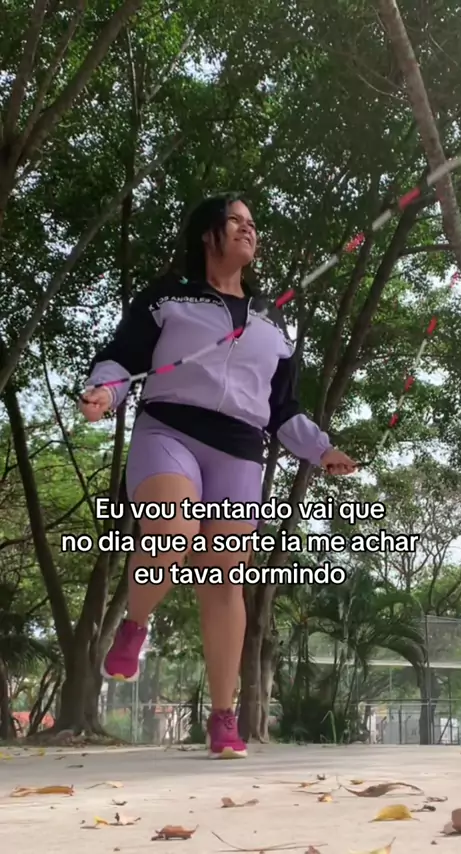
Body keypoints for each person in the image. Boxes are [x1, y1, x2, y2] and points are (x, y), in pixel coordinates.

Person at [79, 193, 357, 758]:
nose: (247, 229)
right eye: (235, 220)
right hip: (169, 430)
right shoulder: (167, 296)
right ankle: (135, 624)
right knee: (170, 530)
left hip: (240, 449)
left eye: (252, 223)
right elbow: (122, 358)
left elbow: (283, 409)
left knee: (225, 577)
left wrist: (321, 449)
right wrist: (105, 391)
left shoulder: (271, 319)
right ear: (208, 234)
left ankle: (224, 718)